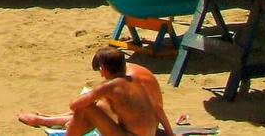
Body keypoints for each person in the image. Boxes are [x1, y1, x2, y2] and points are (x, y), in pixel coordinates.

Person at [18, 47, 176, 136]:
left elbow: (74, 105)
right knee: (96, 106)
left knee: (86, 107)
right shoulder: (135, 81)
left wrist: (92, 95)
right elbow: (157, 108)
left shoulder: (110, 86)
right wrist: (170, 134)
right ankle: (45, 119)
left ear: (103, 69)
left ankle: (44, 121)